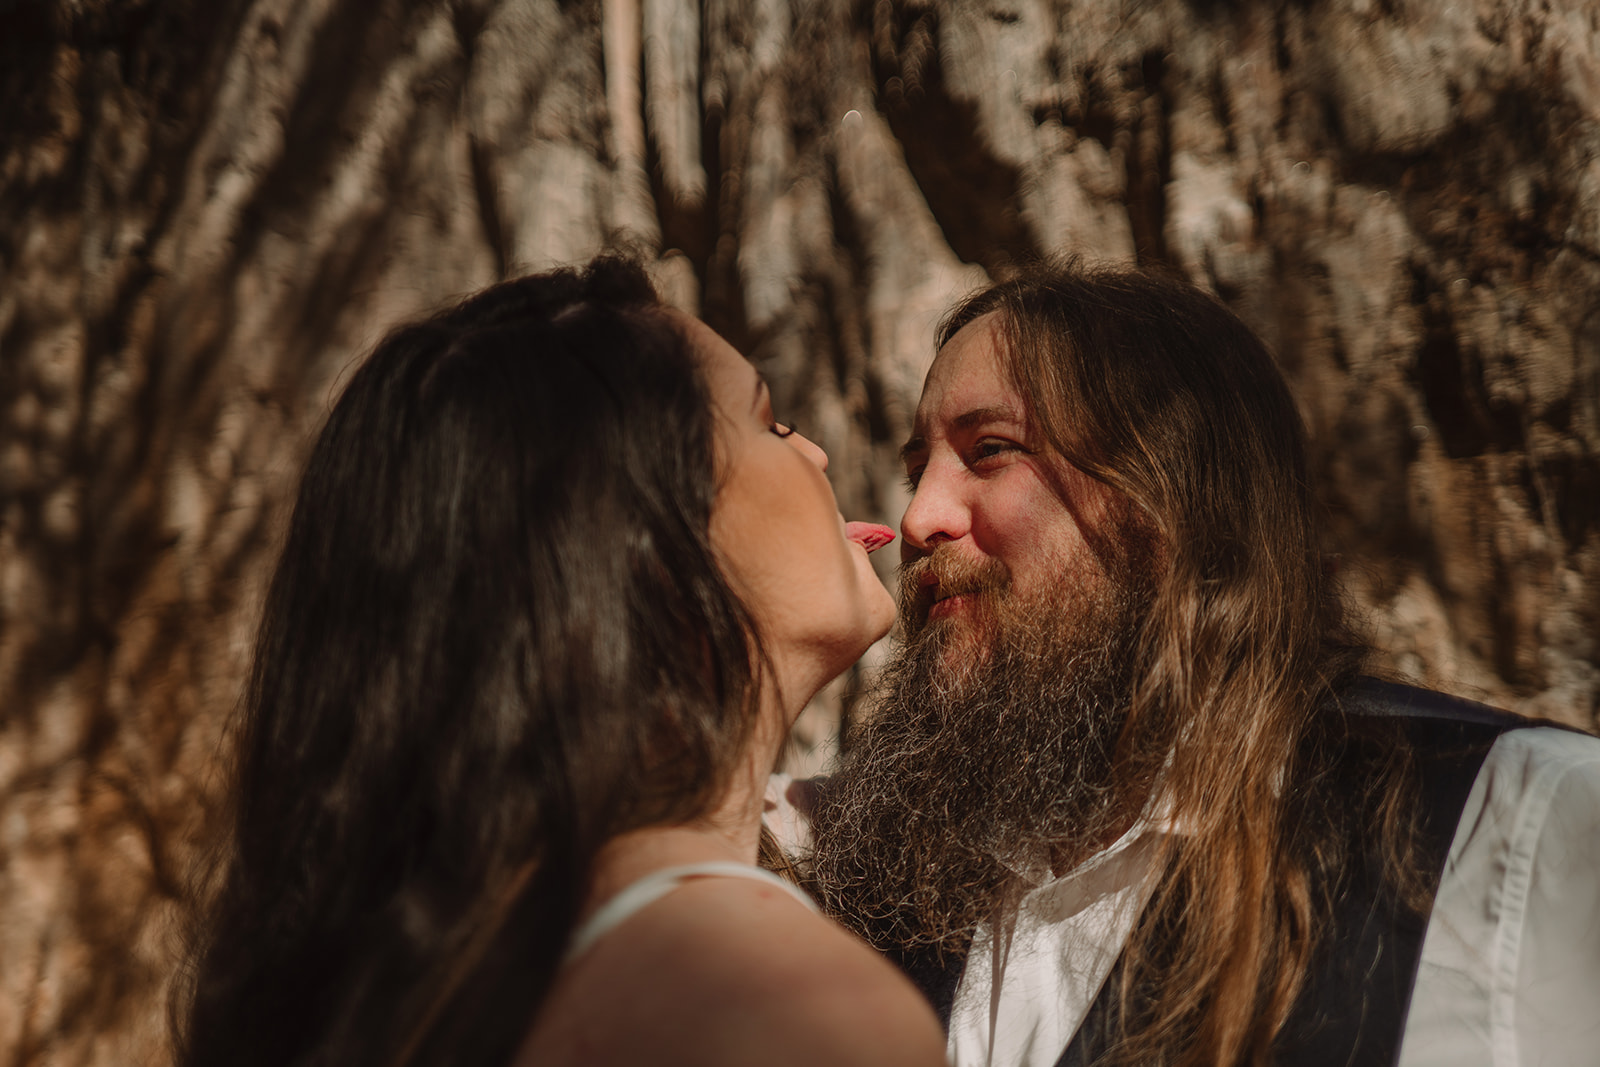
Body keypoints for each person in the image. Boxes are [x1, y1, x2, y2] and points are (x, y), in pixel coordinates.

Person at [802, 261, 1600, 1067]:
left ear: (1169, 492)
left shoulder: (1515, 822)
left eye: (992, 450)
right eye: (917, 470)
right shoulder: (886, 880)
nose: (918, 517)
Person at [175, 258, 948, 1067]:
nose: (818, 454)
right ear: (643, 541)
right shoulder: (796, 1011)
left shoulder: (428, 979)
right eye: (769, 422)